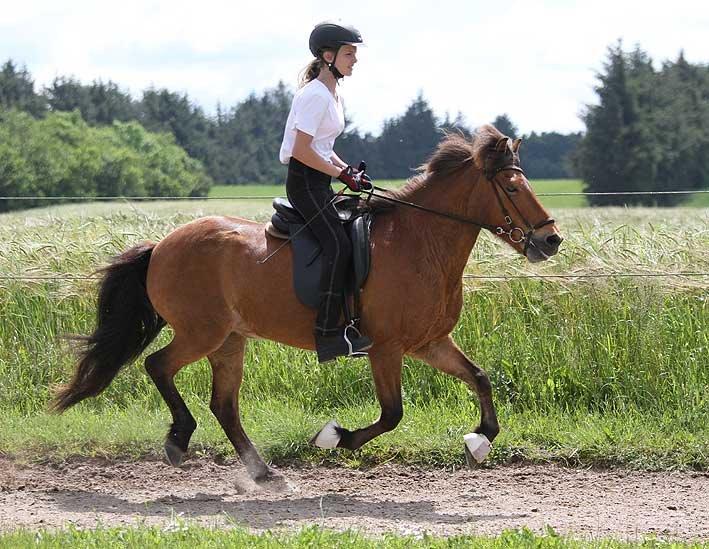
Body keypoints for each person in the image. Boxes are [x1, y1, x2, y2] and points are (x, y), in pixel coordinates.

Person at [279, 21, 373, 363]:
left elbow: (324, 145)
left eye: (355, 53)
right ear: (328, 55)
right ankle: (326, 334)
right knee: (338, 244)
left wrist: (348, 171)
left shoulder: (332, 93)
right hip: (304, 183)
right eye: (350, 53)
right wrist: (340, 173)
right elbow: (302, 150)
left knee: (353, 235)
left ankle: (349, 321)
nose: (355, 60)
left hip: (319, 180)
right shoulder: (315, 95)